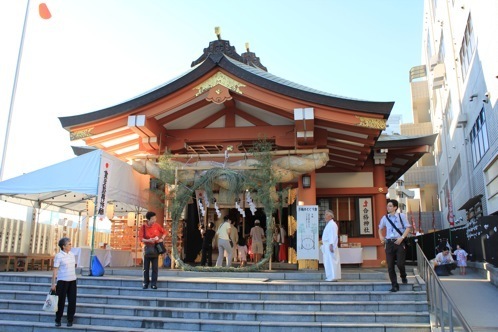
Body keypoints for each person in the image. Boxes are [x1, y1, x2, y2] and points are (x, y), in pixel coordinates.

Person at [378, 199, 411, 292]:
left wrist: (402, 237)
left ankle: (403, 275)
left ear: (395, 207)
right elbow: (380, 228)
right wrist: (381, 237)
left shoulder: (401, 216)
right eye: (387, 206)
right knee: (390, 265)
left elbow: (408, 227)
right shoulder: (385, 218)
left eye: (390, 206)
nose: (388, 207)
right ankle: (394, 285)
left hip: (399, 242)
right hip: (389, 243)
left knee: (400, 263)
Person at [51, 237, 77, 327]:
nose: (71, 246)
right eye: (69, 244)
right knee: (60, 301)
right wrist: (53, 283)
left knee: (72, 301)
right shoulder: (59, 256)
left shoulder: (72, 254)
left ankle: (70, 319)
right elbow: (55, 269)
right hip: (62, 281)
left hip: (72, 280)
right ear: (63, 246)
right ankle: (58, 319)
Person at [139, 211, 166, 289]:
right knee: (145, 268)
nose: (154, 220)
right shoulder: (143, 227)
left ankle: (154, 283)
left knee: (155, 268)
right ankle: (145, 282)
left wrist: (161, 239)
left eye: (155, 218)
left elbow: (164, 232)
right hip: (147, 248)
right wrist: (148, 240)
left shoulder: (157, 225)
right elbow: (141, 238)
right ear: (148, 219)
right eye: (153, 219)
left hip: (155, 248)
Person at [321, 210, 341, 281]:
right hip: (327, 245)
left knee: (331, 261)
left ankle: (333, 276)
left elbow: (333, 235)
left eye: (326, 215)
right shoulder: (329, 224)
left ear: (330, 216)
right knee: (327, 261)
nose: (325, 216)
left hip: (330, 245)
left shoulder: (332, 224)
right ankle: (330, 276)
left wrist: (331, 245)